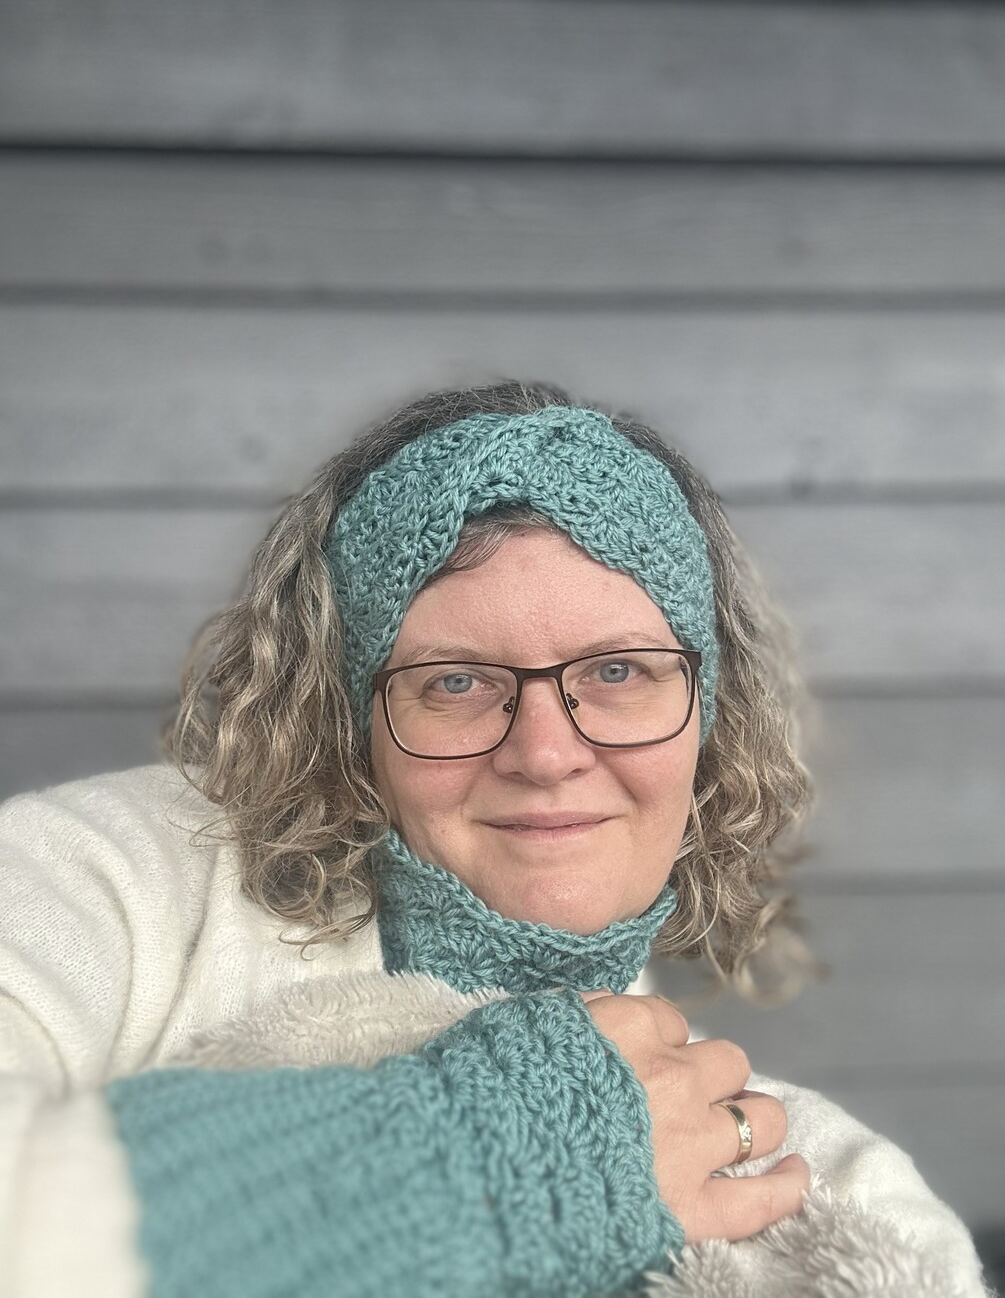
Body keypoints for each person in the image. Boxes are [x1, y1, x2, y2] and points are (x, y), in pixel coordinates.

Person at [0, 382, 989, 1297]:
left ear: (707, 721)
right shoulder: (111, 885)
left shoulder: (836, 1190)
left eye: (619, 671)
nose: (546, 754)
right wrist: (463, 1167)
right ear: (347, 721)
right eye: (457, 681)